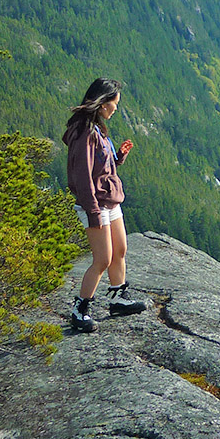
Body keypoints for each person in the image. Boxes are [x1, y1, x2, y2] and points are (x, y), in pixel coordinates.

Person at [62, 78, 147, 332]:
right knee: (102, 259)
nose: (116, 109)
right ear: (102, 104)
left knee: (120, 250)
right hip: (96, 205)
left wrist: (118, 157)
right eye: (114, 104)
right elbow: (83, 176)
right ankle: (80, 310)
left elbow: (101, 166)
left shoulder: (96, 128)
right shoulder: (84, 133)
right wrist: (93, 212)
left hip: (110, 201)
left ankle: (118, 297)